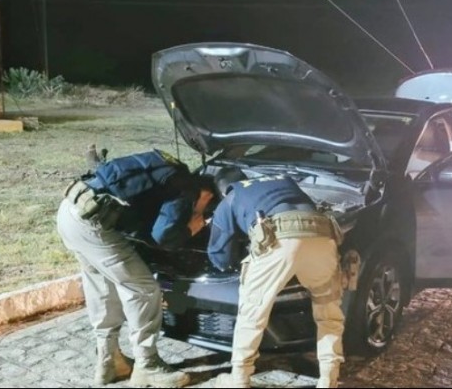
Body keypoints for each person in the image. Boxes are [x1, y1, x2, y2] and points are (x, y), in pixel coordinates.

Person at [56, 148, 214, 388]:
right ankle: (147, 367)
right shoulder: (187, 189)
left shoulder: (166, 169)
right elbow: (162, 236)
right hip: (96, 225)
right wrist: (192, 227)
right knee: (143, 289)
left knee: (102, 286)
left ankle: (109, 363)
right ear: (207, 194)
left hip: (70, 210)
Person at [208, 167, 345, 388]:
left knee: (252, 314)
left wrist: (232, 262)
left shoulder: (232, 196)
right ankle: (329, 379)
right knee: (329, 314)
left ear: (222, 189)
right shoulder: (283, 182)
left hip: (280, 239)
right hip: (322, 236)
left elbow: (219, 255)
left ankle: (239, 380)